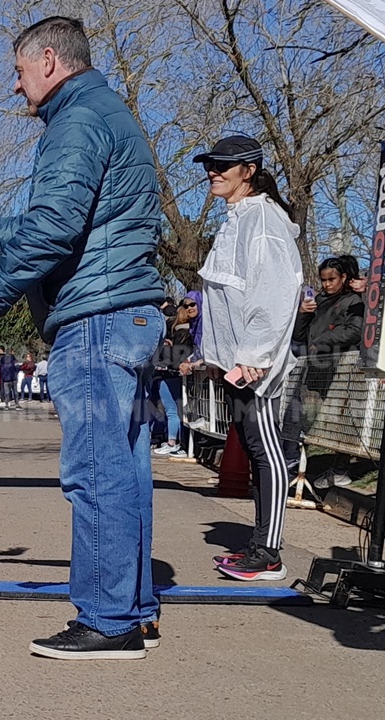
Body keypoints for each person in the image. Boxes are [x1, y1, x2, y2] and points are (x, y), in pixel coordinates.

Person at [0, 17, 165, 659]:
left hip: (97, 318)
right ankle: (130, 607)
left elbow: (55, 226)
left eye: (20, 72)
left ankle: (108, 622)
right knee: (124, 471)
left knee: (95, 472)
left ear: (50, 61)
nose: (15, 86)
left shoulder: (76, 120)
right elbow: (57, 217)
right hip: (126, 311)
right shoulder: (101, 112)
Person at [189, 135, 303, 584]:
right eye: (210, 165)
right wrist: (214, 357)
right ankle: (259, 545)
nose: (213, 172)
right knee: (254, 447)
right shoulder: (239, 219)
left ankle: (269, 552)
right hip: (234, 361)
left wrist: (254, 356)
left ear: (249, 171)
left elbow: (275, 294)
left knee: (265, 448)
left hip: (253, 362)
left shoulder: (264, 220)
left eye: (223, 165)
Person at [288, 256, 364, 488]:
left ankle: (340, 468)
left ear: (344, 278)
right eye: (323, 280)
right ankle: (293, 465)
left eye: (332, 279)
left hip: (343, 370)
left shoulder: (354, 301)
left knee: (342, 421)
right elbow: (299, 336)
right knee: (303, 418)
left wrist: (322, 342)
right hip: (316, 371)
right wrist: (302, 313)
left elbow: (355, 331)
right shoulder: (318, 301)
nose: (327, 285)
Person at [153, 298, 198, 459]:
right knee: (176, 410)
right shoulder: (187, 332)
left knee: (172, 410)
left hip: (170, 373)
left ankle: (172, 442)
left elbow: (178, 356)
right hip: (175, 373)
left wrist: (167, 361)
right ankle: (174, 442)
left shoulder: (181, 333)